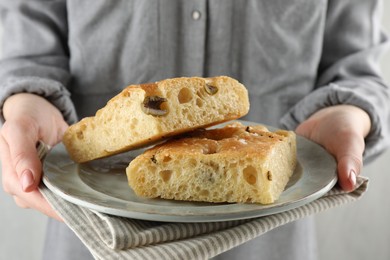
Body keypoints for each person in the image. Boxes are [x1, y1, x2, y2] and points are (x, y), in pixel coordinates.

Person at [0, 1, 389, 259]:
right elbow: (26, 43)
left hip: (268, 242)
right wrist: (25, 103)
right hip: (95, 238)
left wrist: (348, 112)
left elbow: (359, 64)